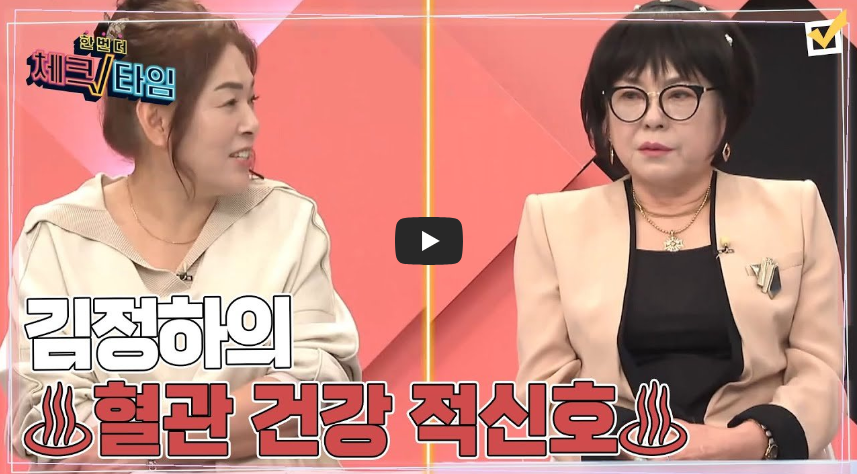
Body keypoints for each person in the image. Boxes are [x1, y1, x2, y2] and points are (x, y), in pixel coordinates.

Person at [2, 0, 360, 471]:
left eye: (251, 100)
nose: (252, 124)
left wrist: (137, 431)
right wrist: (226, 425)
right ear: (157, 120)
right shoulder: (57, 240)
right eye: (228, 102)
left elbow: (320, 385)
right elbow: (48, 419)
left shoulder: (288, 222)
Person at [514, 0, 844, 461]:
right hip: (614, 464)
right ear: (605, 114)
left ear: (725, 111)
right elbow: (546, 386)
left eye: (679, 94)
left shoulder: (795, 210)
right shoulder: (552, 222)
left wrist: (738, 444)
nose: (653, 117)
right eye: (630, 95)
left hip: (761, 462)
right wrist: (645, 449)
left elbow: (819, 371)